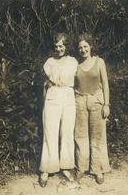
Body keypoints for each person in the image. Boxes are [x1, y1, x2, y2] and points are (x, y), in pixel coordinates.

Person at [39, 33, 78, 187]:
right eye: (56, 46)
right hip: (53, 95)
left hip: (68, 96)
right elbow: (47, 82)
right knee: (50, 132)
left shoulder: (73, 62)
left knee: (67, 133)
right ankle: (47, 168)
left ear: (66, 46)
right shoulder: (49, 62)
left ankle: (66, 167)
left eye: (61, 45)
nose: (59, 48)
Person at [74, 33, 111, 184]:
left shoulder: (99, 61)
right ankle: (81, 168)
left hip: (97, 100)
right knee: (81, 136)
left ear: (90, 47)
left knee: (98, 137)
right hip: (80, 101)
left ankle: (98, 169)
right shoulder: (76, 65)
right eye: (80, 47)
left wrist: (106, 104)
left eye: (85, 46)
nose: (83, 50)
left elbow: (106, 84)